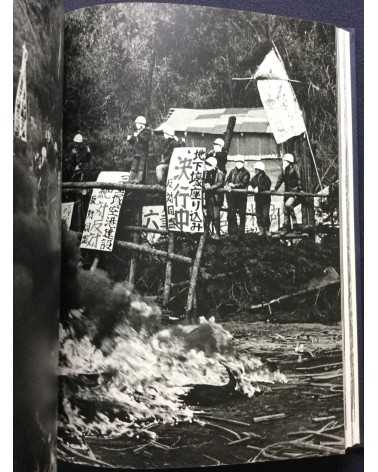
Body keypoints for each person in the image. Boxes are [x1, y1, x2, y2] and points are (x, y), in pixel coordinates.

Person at [274, 153, 303, 234]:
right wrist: (275, 188)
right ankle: (287, 227)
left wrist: (300, 189)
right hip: (287, 192)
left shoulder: (295, 168)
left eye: (284, 161)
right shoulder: (284, 170)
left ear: (289, 162)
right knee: (285, 210)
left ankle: (295, 225)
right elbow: (280, 179)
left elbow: (299, 179)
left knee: (288, 205)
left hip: (294, 192)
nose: (283, 162)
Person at [225, 157, 250, 235]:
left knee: (242, 214)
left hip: (241, 197)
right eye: (237, 162)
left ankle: (241, 233)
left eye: (240, 162)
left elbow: (243, 183)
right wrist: (227, 185)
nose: (238, 164)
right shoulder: (232, 171)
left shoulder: (246, 172)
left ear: (243, 163)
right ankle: (233, 231)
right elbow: (227, 180)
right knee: (231, 214)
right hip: (232, 197)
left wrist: (234, 186)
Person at [203, 156, 225, 240]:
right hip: (209, 197)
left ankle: (217, 234)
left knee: (216, 216)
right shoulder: (208, 172)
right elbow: (205, 181)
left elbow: (219, 183)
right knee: (209, 215)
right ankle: (209, 233)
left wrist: (210, 187)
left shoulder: (220, 173)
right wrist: (205, 185)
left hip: (216, 197)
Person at [249, 161, 272, 236]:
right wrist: (250, 186)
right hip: (258, 200)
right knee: (258, 215)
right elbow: (251, 183)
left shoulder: (266, 178)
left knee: (265, 215)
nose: (255, 171)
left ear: (260, 170)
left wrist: (259, 188)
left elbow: (267, 186)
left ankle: (267, 229)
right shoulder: (254, 178)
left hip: (265, 200)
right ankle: (261, 229)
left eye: (257, 169)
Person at [127, 115, 151, 183]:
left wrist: (138, 134)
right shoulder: (138, 132)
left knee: (141, 167)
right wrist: (130, 138)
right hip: (136, 153)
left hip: (143, 153)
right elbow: (132, 140)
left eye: (138, 124)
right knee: (134, 167)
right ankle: (131, 179)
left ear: (142, 124)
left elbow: (145, 139)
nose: (137, 125)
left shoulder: (146, 131)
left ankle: (139, 179)